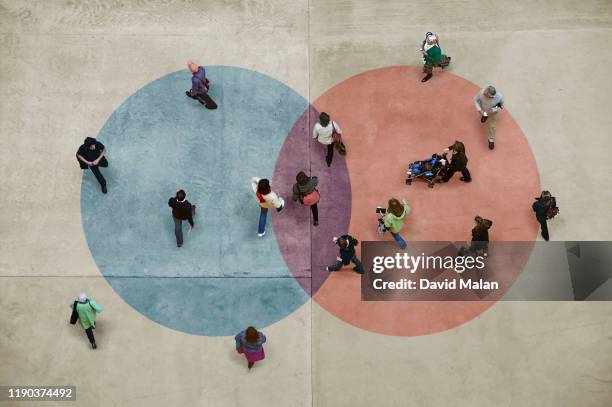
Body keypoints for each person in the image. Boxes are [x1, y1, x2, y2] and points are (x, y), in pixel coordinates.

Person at [473, 85, 505, 150]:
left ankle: (491, 139)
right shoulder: (481, 92)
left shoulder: (499, 97)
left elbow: (501, 105)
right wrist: (479, 110)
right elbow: (475, 100)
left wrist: (492, 110)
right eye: (484, 92)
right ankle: (484, 116)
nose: (484, 94)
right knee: (484, 115)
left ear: (491, 96)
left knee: (492, 126)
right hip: (483, 109)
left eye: (486, 94)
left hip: (493, 112)